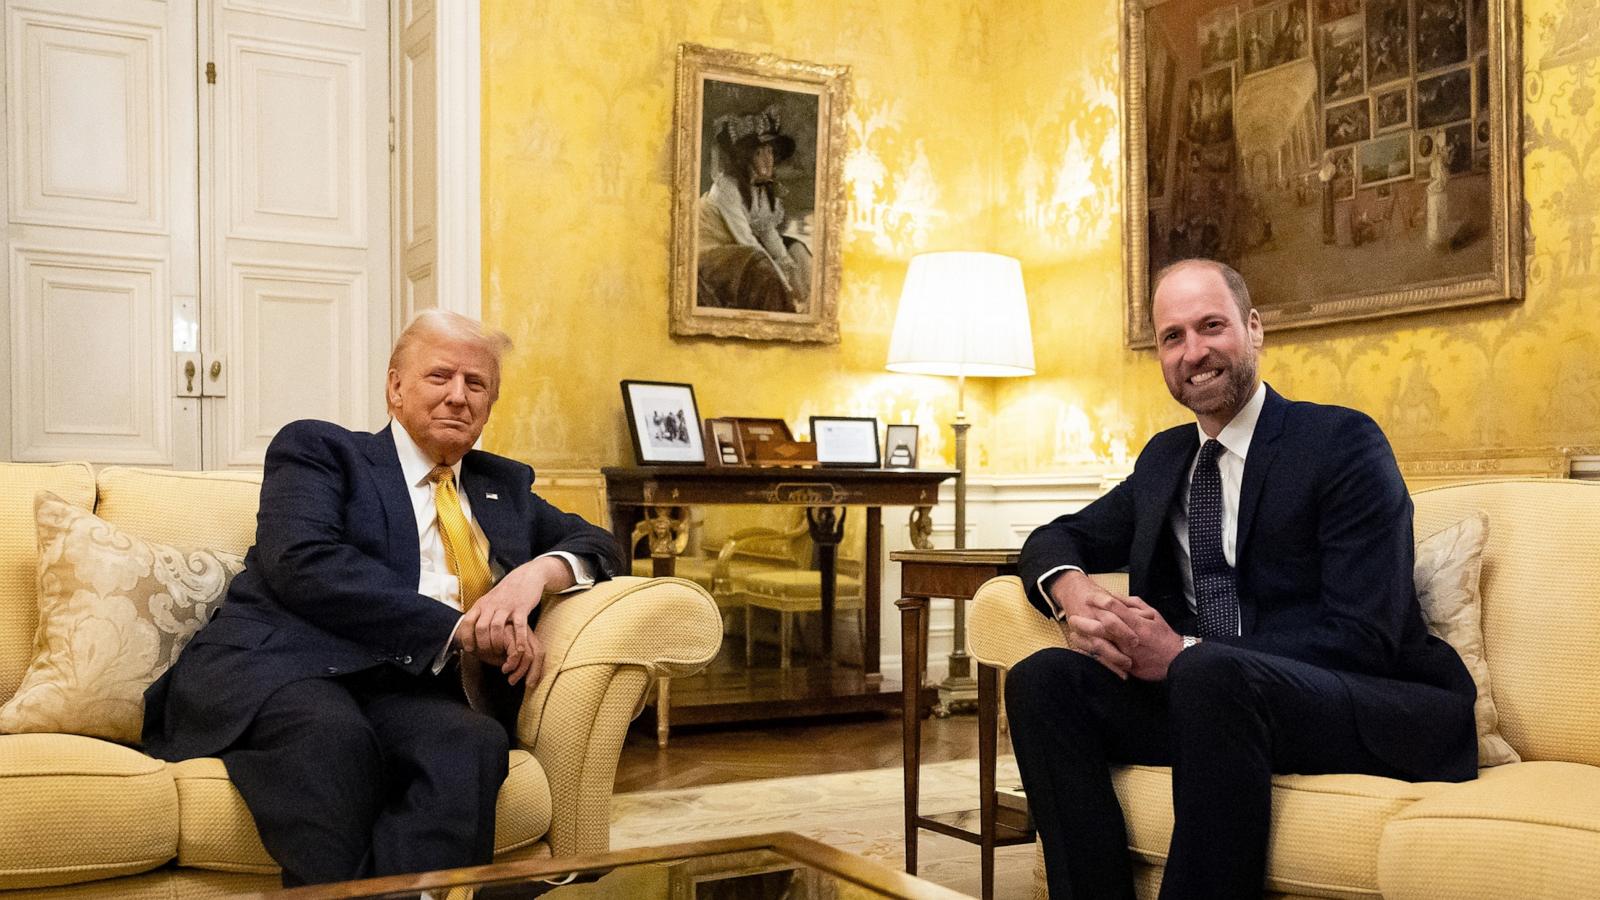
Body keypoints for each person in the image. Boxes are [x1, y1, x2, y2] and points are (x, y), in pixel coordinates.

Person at [1007, 259, 1476, 900]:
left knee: (1206, 672)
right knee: (1044, 679)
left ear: (1254, 330)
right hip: (1216, 707)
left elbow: (1366, 635)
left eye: (1211, 326)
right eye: (1173, 337)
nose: (1193, 352)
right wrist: (1071, 593)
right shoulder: (1167, 458)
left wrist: (1183, 654)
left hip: (1362, 699)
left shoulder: (1341, 443)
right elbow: (1056, 538)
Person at [142, 309, 624, 886]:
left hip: (404, 687)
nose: (457, 397)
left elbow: (599, 543)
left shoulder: (502, 486)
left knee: (471, 742)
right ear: (395, 386)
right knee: (332, 740)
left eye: (476, 385)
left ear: (490, 405)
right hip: (286, 670)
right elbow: (304, 562)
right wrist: (459, 629)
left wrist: (536, 575)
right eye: (439, 376)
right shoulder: (323, 452)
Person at [696, 105, 812, 312]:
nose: (769, 160)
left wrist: (791, 274)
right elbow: (746, 240)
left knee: (797, 251)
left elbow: (768, 234)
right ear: (745, 158)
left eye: (771, 152)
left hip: (738, 247)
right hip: (709, 252)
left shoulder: (760, 188)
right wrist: (785, 287)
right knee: (760, 265)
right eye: (760, 153)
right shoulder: (727, 188)